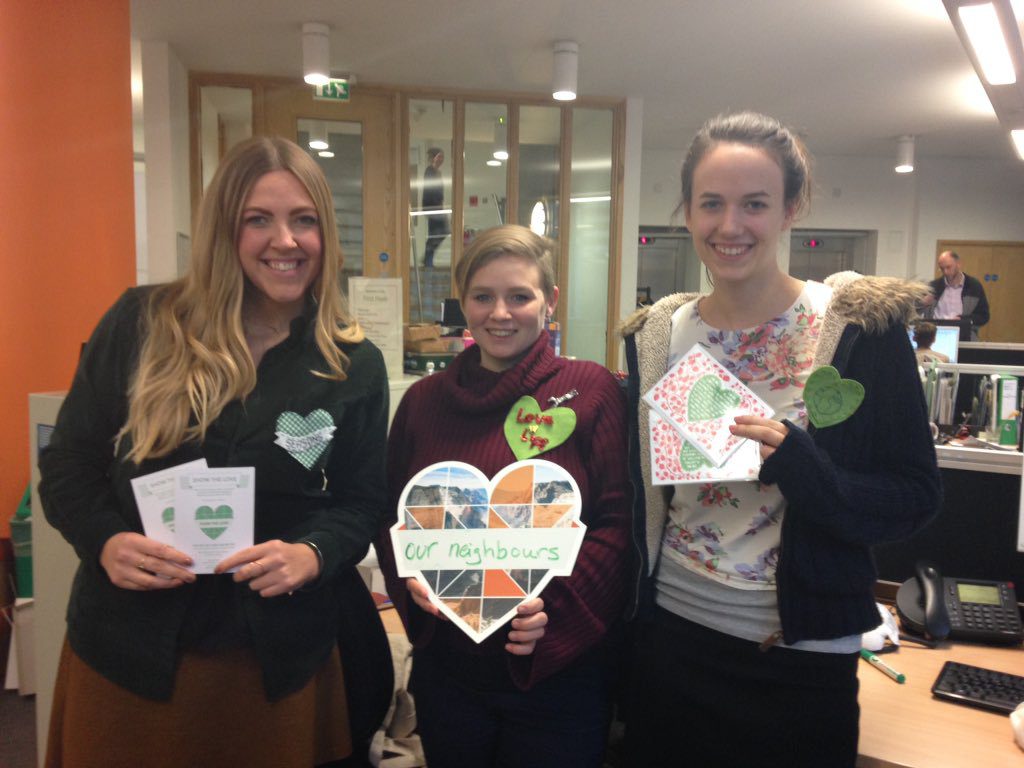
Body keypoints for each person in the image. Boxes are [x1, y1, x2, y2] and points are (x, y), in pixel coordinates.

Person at [38, 136, 390, 768]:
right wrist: (106, 542)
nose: (285, 241)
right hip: (129, 652)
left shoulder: (350, 363)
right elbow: (68, 465)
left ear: (326, 234)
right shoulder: (143, 323)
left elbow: (361, 503)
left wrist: (313, 553)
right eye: (259, 219)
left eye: (303, 220)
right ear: (224, 229)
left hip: (274, 661)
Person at [620, 112, 942, 767]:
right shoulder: (656, 338)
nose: (729, 226)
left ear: (792, 208)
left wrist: (801, 464)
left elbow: (913, 498)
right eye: (711, 203)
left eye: (755, 204)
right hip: (672, 641)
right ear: (687, 210)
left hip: (801, 659)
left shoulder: (859, 333)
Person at [376, 224, 631, 767]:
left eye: (520, 296)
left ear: (550, 301)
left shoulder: (590, 391)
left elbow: (616, 523)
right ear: (462, 301)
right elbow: (391, 514)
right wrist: (412, 582)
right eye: (483, 296)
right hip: (450, 671)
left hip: (558, 673)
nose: (500, 313)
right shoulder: (423, 404)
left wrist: (553, 615)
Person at [924, 250, 989, 339]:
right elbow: (914, 312)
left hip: (964, 336)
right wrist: (922, 304)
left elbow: (984, 316)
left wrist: (964, 321)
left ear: (958, 264)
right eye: (942, 268)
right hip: (936, 336)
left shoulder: (974, 286)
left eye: (948, 267)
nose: (945, 272)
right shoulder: (933, 287)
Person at [421, 147, 450, 267]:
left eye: (442, 157)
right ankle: (427, 259)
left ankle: (428, 259)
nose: (441, 159)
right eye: (439, 156)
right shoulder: (430, 171)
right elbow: (430, 190)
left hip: (436, 206)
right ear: (433, 158)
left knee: (439, 232)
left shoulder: (437, 172)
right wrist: (436, 206)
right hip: (432, 206)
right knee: (439, 232)